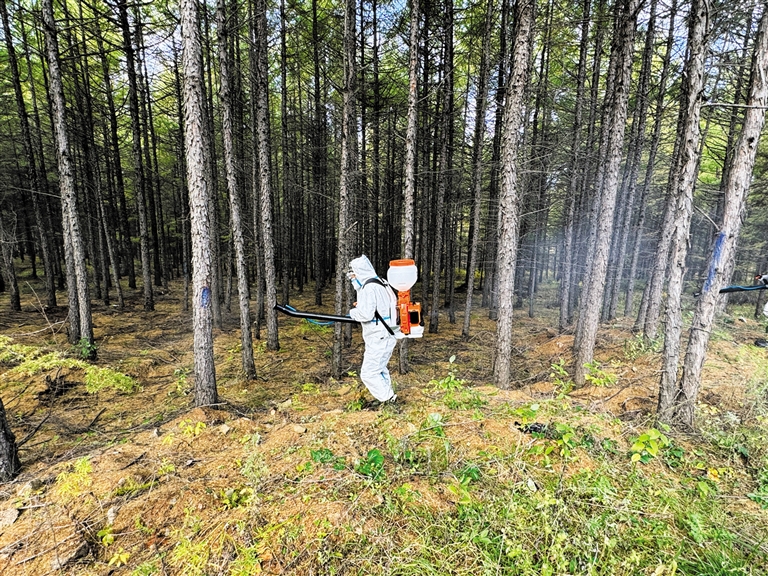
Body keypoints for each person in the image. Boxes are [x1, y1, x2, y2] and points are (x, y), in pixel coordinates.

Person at [347, 255, 401, 408]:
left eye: (354, 275)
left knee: (369, 373)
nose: (353, 278)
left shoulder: (369, 288)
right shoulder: (380, 282)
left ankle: (388, 400)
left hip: (379, 335)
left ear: (360, 272)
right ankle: (388, 396)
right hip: (386, 333)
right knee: (379, 369)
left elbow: (366, 314)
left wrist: (353, 312)